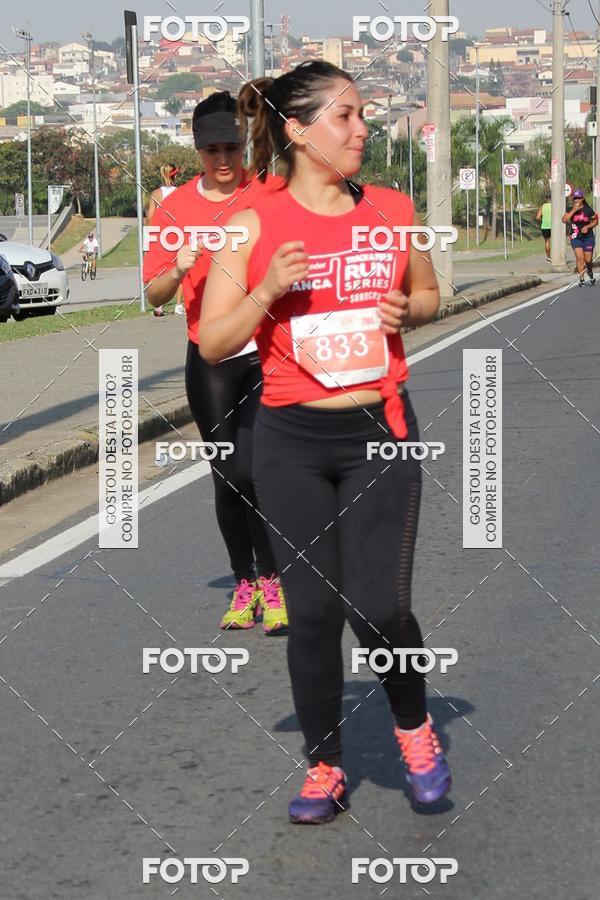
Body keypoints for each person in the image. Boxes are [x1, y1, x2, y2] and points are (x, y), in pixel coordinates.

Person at [198, 61, 452, 824]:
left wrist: (413, 310)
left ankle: (415, 730)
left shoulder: (392, 210)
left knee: (378, 608)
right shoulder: (251, 224)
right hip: (291, 440)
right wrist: (267, 289)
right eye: (346, 117)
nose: (363, 129)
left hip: (379, 430)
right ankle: (324, 768)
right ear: (299, 132)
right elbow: (213, 340)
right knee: (310, 614)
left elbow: (433, 294)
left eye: (363, 115)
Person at [143, 91, 288, 635]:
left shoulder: (267, 190)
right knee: (227, 476)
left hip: (268, 352)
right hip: (210, 358)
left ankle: (272, 580)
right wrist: (178, 269)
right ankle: (243, 582)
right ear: (197, 150)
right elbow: (155, 296)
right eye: (212, 151)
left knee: (259, 471)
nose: (223, 161)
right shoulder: (173, 207)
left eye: (231, 147)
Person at [145, 163, 184, 317]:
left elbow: (150, 218)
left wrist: (149, 235)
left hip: (161, 235)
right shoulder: (181, 193)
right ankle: (179, 305)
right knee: (179, 269)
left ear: (162, 174)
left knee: (159, 270)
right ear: (175, 175)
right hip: (177, 234)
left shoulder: (156, 194)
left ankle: (159, 305)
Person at [562, 188, 598, 286]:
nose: (577, 200)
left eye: (579, 198)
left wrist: (588, 226)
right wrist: (574, 210)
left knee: (588, 260)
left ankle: (590, 272)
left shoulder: (588, 209)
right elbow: (564, 220)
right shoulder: (570, 209)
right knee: (579, 257)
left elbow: (595, 221)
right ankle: (581, 279)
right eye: (575, 198)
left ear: (582, 198)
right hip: (576, 237)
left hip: (588, 237)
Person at [536, 192, 552, 262]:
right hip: (554, 226)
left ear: (546, 199)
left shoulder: (543, 206)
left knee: (547, 241)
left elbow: (537, 217)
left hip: (545, 226)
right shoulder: (555, 206)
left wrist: (543, 220)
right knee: (555, 242)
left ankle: (549, 258)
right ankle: (557, 257)